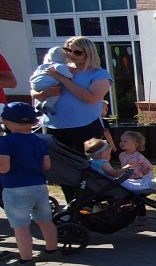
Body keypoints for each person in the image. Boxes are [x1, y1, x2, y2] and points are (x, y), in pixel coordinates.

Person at [30, 37, 111, 202]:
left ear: (88, 53)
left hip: (85, 127)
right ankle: (72, 203)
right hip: (54, 126)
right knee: (62, 168)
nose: (71, 55)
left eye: (77, 52)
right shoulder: (56, 67)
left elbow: (91, 98)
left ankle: (89, 202)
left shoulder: (99, 74)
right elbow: (34, 90)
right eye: (68, 50)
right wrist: (45, 93)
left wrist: (62, 79)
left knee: (84, 166)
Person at [0, 103, 60, 266]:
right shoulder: (39, 141)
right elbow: (46, 165)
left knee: (20, 226)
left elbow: (4, 167)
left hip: (15, 188)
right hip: (39, 186)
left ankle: (26, 260)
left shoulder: (4, 142)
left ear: (6, 122)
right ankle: (52, 250)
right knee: (45, 220)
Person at [29, 47, 74, 117]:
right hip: (47, 83)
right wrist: (70, 76)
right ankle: (47, 106)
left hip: (35, 83)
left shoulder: (44, 65)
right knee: (56, 93)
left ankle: (39, 105)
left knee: (50, 92)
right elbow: (61, 69)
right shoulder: (59, 65)